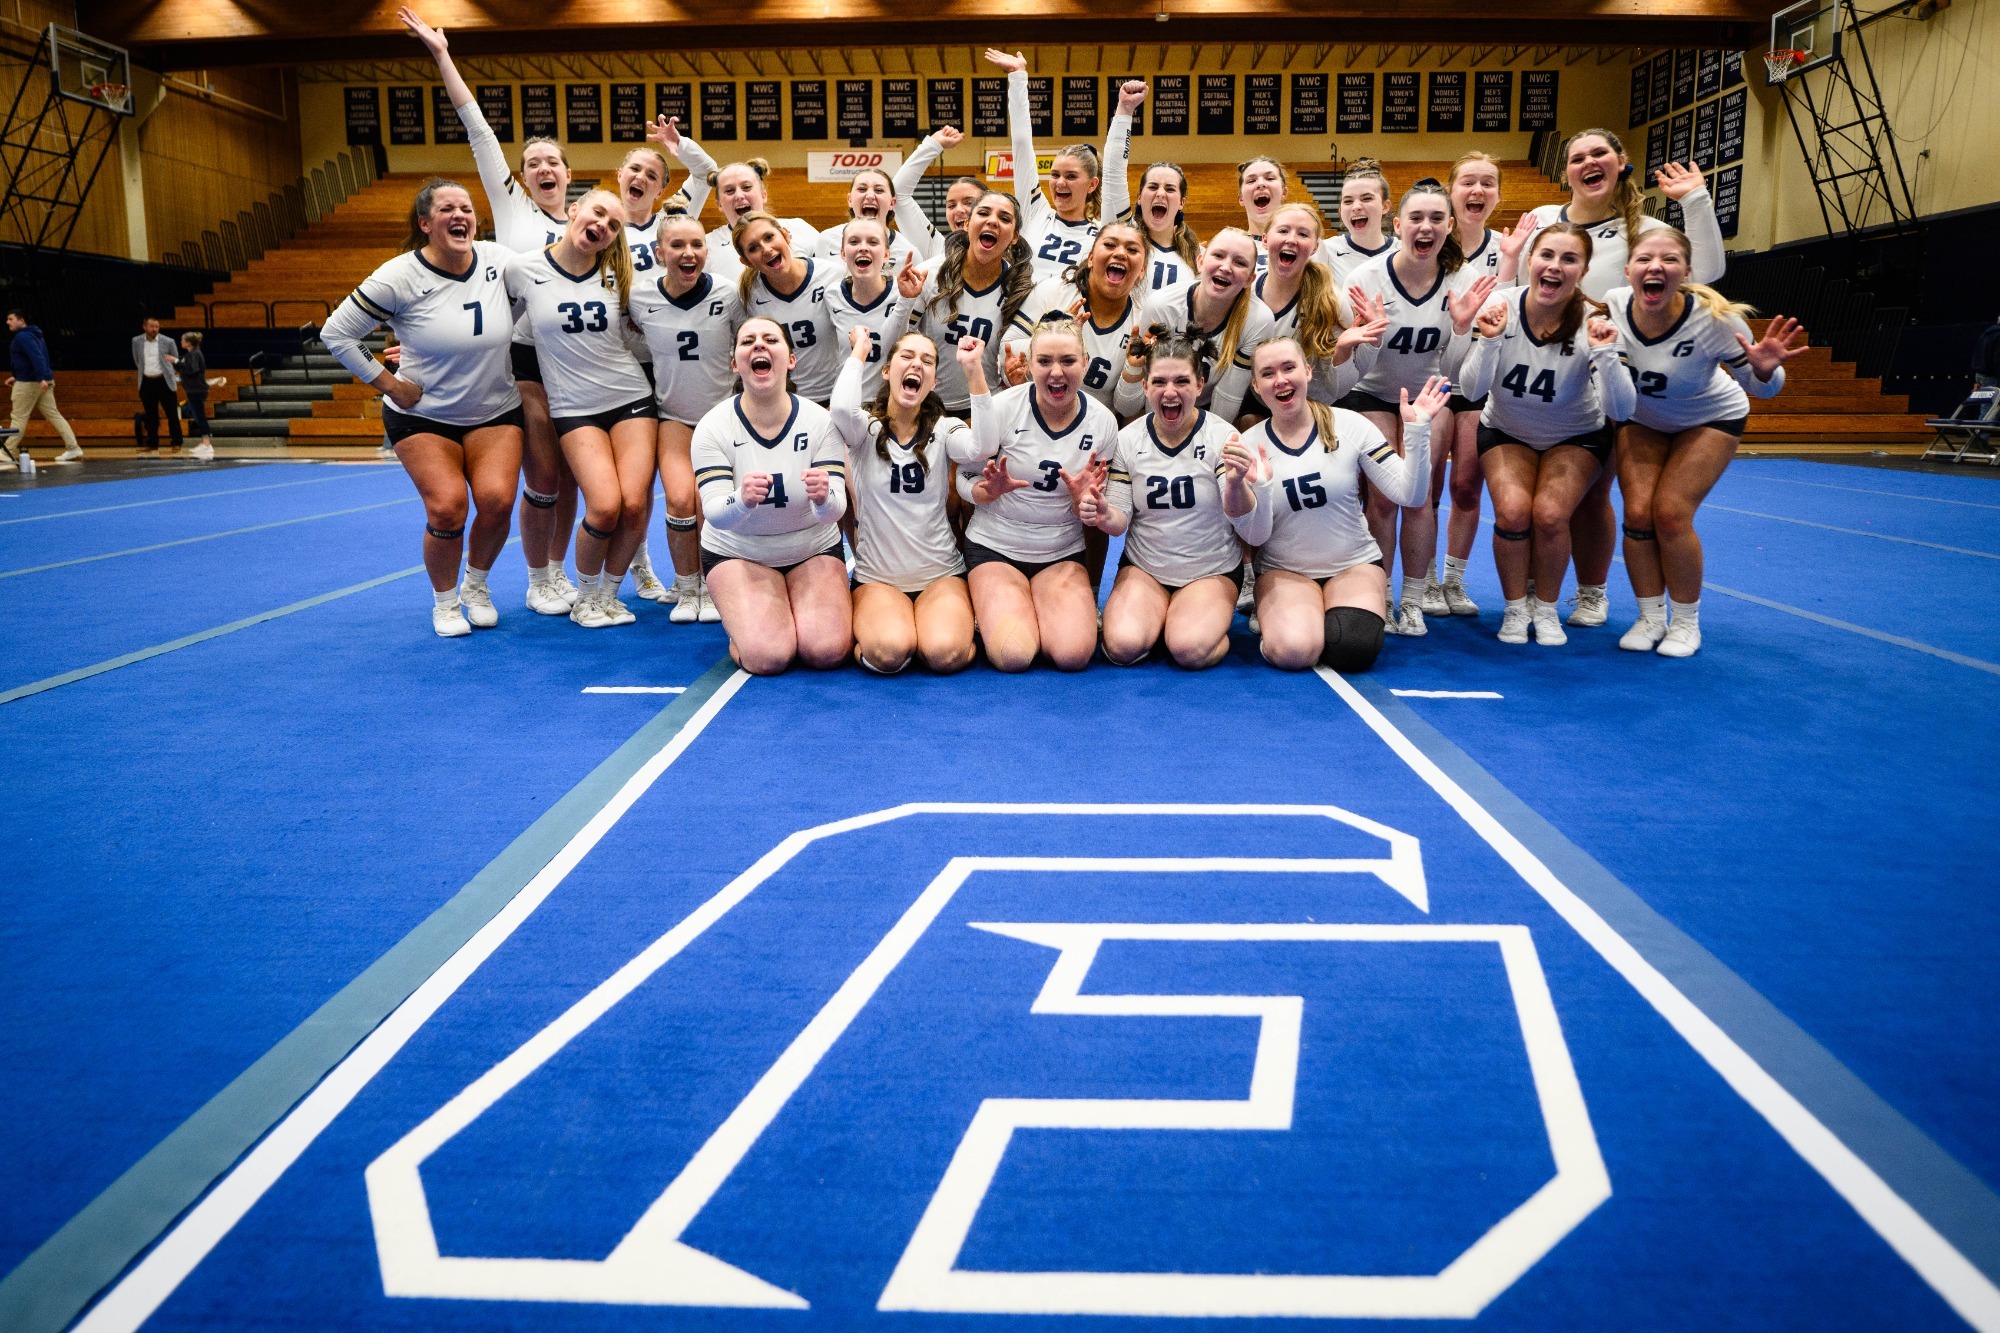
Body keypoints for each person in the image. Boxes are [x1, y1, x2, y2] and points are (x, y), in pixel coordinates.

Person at [1498, 130, 1725, 630]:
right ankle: (1535, 591)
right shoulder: (1541, 222)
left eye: (1599, 153)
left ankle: (1592, 592)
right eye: (1577, 158)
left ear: (1621, 162)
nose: (1588, 163)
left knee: (1591, 497)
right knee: (1533, 500)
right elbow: (1517, 294)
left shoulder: (1641, 228)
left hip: (1606, 368)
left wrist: (1696, 202)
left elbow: (1704, 273)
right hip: (1543, 365)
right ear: (1566, 173)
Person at [404, 5, 582, 615]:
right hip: (524, 359)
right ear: (522, 176)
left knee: (581, 480)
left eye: (552, 162)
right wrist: (443, 57)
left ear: (568, 173)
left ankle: (563, 570)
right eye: (532, 163)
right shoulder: (510, 210)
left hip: (578, 358)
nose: (542, 169)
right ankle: (536, 579)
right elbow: (478, 128)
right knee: (544, 480)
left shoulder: (586, 227)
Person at [323, 177, 522, 637]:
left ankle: (476, 585)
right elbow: (336, 333)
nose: (460, 216)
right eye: (448, 209)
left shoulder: (498, 259)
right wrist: (389, 385)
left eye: (467, 209)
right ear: (426, 223)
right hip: (424, 414)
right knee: (449, 507)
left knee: (496, 501)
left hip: (494, 408)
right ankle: (446, 601)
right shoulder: (399, 276)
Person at [1606, 228, 1804, 657]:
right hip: (1644, 419)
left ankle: (1685, 622)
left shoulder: (1714, 320)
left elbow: (1763, 389)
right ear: (1628, 271)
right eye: (1644, 259)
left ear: (1688, 271)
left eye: (1669, 259)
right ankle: (1649, 616)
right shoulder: (1613, 306)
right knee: (1638, 513)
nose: (1655, 267)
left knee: (1672, 514)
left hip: (1710, 417)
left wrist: (1766, 370)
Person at [1457, 223, 1635, 646]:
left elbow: (1621, 409)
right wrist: (1489, 341)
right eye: (1547, 256)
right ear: (1531, 261)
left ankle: (1547, 608)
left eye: (1569, 259)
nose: (1555, 266)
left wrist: (1608, 355)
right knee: (1514, 513)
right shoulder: (1501, 305)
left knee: (1552, 516)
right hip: (1507, 429)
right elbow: (1470, 390)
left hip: (1575, 435)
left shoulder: (1594, 322)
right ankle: (1517, 608)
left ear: (1584, 270)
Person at [1232, 339, 1447, 672]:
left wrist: (1418, 431)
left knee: (1353, 648)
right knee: (1294, 652)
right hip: (1284, 569)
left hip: (1353, 565)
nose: (1281, 380)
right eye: (1268, 373)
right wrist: (1261, 485)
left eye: (1289, 368)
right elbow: (1255, 537)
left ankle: (1318, 614)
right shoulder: (1248, 446)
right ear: (1256, 386)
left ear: (1307, 370)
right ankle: (1286, 618)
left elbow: (1411, 495)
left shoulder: (1349, 425)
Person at [1341, 179, 1493, 636]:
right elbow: (1354, 361)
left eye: (1435, 219)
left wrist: (1465, 328)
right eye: (1416, 218)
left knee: (1422, 498)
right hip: (1371, 392)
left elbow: (1456, 373)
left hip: (1430, 395)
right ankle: (1381, 594)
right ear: (1398, 223)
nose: (1425, 227)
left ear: (1449, 226)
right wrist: (1367, 333)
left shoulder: (1461, 281)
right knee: (1386, 496)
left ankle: (1414, 599)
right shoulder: (1366, 278)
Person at [504, 188, 655, 629]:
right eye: (598, 214)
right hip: (573, 407)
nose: (602, 226)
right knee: (604, 505)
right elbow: (494, 328)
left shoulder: (617, 277)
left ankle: (603, 597)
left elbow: (648, 333)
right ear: (575, 210)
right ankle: (576, 590)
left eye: (613, 225)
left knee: (633, 506)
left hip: (631, 398)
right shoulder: (523, 269)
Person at [692, 317, 852, 674]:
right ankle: (748, 629)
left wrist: (825, 498)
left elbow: (835, 511)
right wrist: (742, 500)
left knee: (827, 651)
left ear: (791, 359)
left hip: (811, 548)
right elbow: (716, 513)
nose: (759, 346)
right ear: (735, 363)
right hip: (738, 551)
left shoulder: (820, 422)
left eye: (770, 339)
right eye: (748, 341)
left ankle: (784, 606)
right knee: (768, 658)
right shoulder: (713, 427)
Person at [959, 318, 1120, 671]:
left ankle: (1040, 605)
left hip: (1061, 552)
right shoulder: (1002, 408)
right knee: (1014, 655)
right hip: (995, 547)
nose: (1056, 372)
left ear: (1086, 364)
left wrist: (1085, 504)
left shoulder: (1103, 423)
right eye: (1044, 361)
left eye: (1068, 360)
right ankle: (990, 605)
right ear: (1029, 364)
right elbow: (963, 476)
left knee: (1073, 655)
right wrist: (986, 491)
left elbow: (1101, 508)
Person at [831, 325, 985, 674]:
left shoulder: (945, 429)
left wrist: (974, 370)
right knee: (888, 652)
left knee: (946, 655)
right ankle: (891, 632)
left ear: (933, 382)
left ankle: (947, 630)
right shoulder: (864, 431)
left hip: (941, 574)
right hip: (878, 579)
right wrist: (860, 352)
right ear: (887, 371)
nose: (916, 364)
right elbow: (841, 409)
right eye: (906, 356)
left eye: (927, 361)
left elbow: (982, 447)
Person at [1090, 331, 1248, 669]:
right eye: (1159, 381)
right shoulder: (1128, 440)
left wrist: (1236, 485)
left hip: (1210, 570)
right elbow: (1119, 523)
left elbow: (1241, 516)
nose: (1170, 392)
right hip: (1146, 568)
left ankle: (1187, 623)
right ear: (1145, 387)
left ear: (1199, 385)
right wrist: (1103, 513)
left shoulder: (1222, 436)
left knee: (1189, 650)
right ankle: (1165, 617)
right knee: (1121, 647)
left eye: (1181, 381)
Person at [627, 212, 742, 624]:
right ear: (659, 253)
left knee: (708, 504)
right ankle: (686, 585)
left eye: (696, 245)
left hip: (724, 419)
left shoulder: (729, 294)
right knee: (678, 500)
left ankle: (713, 585)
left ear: (707, 252)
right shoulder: (639, 298)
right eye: (677, 246)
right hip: (674, 417)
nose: (688, 252)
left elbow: (750, 343)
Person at [1425, 151, 1508, 619]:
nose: (1477, 191)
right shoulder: (1429, 238)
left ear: (1498, 194)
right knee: (1430, 485)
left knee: (1467, 486)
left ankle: (1454, 579)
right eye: (1467, 183)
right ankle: (1429, 578)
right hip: (1436, 379)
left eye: (1487, 183)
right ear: (1451, 192)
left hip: (1478, 378)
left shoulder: (1508, 247)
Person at [990, 49, 1135, 282]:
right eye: (1055, 174)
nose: (1060, 182)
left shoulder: (1104, 232)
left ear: (1092, 184)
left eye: (1071, 176)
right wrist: (1018, 78)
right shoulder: (1035, 213)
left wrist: (1125, 113)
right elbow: (1021, 144)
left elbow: (1116, 172)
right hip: (1024, 316)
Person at [1119, 229, 1276, 432]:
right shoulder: (1162, 305)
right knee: (1131, 420)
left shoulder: (1258, 320)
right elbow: (1128, 405)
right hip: (1157, 405)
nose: (1226, 267)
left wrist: (1206, 442)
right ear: (1200, 262)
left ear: (1249, 279)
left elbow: (1228, 397)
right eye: (1218, 255)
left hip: (1209, 409)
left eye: (1240, 262)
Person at [897, 189, 1035, 415]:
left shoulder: (1018, 289)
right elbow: (899, 344)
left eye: (1004, 218)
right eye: (984, 213)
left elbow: (1011, 366)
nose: (992, 221)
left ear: (1015, 237)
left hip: (986, 407)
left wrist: (1014, 378)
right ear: (968, 223)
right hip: (924, 406)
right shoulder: (929, 274)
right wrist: (904, 300)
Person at [733, 212, 842, 404]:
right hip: (785, 402)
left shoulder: (832, 275)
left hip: (836, 397)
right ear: (747, 261)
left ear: (785, 234)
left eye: (769, 237)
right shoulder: (750, 296)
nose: (766, 249)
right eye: (753, 248)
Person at [704, 159, 820, 285]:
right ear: (719, 204)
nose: (739, 195)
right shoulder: (707, 245)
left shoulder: (800, 228)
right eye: (729, 191)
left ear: (763, 195)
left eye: (747, 187)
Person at [892, 125, 983, 265]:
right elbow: (898, 192)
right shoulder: (938, 249)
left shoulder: (1012, 252)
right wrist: (932, 144)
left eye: (969, 202)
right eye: (951, 205)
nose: (958, 210)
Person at [4, 309, 82, 468]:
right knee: (54, 415)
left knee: (19, 417)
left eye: (10, 319)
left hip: (29, 383)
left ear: (21, 321)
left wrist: (39, 378)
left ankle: (6, 452)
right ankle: (73, 448)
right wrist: (21, 375)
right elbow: (38, 358)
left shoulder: (23, 337)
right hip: (40, 380)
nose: (7, 322)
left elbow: (37, 357)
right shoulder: (35, 335)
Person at [816, 167, 917, 272]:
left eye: (879, 190)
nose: (870, 196)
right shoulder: (826, 241)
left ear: (892, 203)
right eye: (862, 189)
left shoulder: (908, 252)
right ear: (850, 200)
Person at [1318, 160, 1396, 285]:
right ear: (1340, 211)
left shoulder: (1403, 251)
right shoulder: (1325, 251)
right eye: (1348, 201)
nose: (1356, 207)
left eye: (1366, 198)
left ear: (1385, 206)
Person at [1128, 161, 1202, 291]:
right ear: (1139, 197)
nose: (1160, 194)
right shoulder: (1124, 237)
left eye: (1170, 189)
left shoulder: (1199, 255)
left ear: (1181, 202)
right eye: (1153, 187)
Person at [132, 317, 181, 454]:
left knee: (171, 413)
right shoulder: (136, 341)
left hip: (164, 381)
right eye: (152, 326)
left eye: (157, 327)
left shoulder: (168, 341)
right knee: (151, 415)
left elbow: (174, 359)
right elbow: (137, 360)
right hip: (147, 381)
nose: (154, 329)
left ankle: (176, 442)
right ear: (144, 327)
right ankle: (152, 443)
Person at [176, 332, 215, 461]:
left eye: (182, 340)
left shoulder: (194, 354)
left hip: (197, 390)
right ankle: (205, 443)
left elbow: (192, 370)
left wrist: (177, 361)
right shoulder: (192, 354)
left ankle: (207, 444)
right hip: (194, 389)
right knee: (198, 416)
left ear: (188, 342)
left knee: (200, 416)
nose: (180, 342)